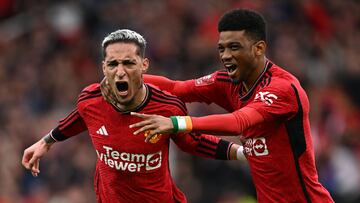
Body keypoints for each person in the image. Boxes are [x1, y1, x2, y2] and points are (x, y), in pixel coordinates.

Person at [101, 9, 334, 203]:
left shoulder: (282, 89)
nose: (226, 55)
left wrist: (176, 123)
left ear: (259, 48)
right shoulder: (227, 83)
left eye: (234, 47)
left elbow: (238, 122)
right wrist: (123, 76)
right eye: (222, 48)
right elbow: (177, 88)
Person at [21, 29, 243, 203]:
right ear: (103, 67)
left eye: (128, 63)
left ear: (144, 65)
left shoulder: (167, 107)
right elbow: (81, 115)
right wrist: (47, 141)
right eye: (113, 64)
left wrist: (242, 153)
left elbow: (192, 142)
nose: (120, 71)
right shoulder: (91, 98)